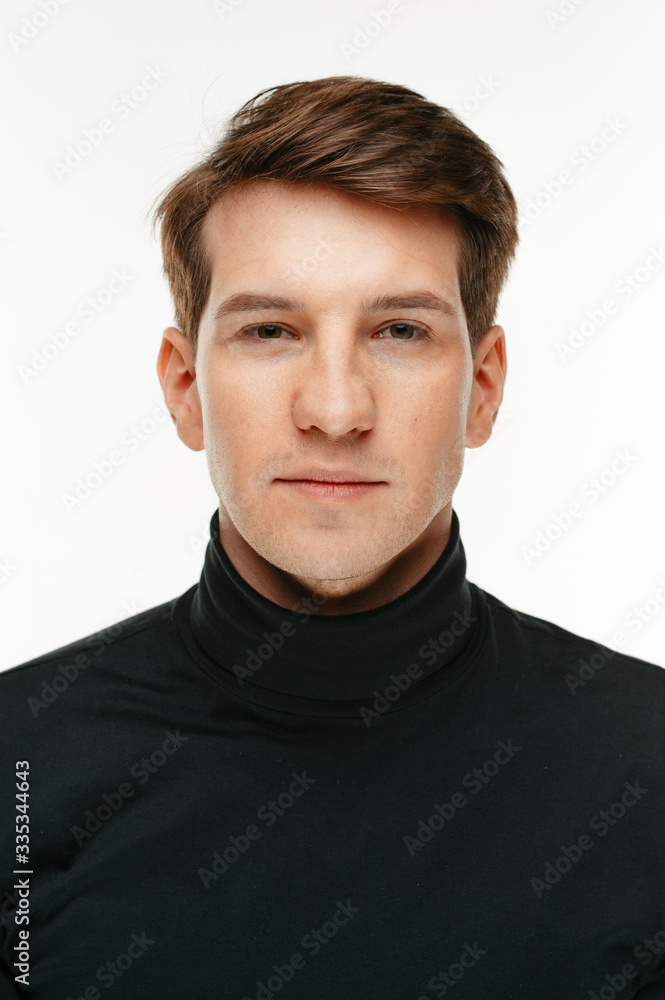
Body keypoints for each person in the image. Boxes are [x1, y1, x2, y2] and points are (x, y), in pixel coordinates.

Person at [1, 74, 664, 999]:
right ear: (185, 389)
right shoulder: (19, 762)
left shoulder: (646, 761)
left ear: (481, 389)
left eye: (399, 331)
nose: (337, 409)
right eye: (271, 330)